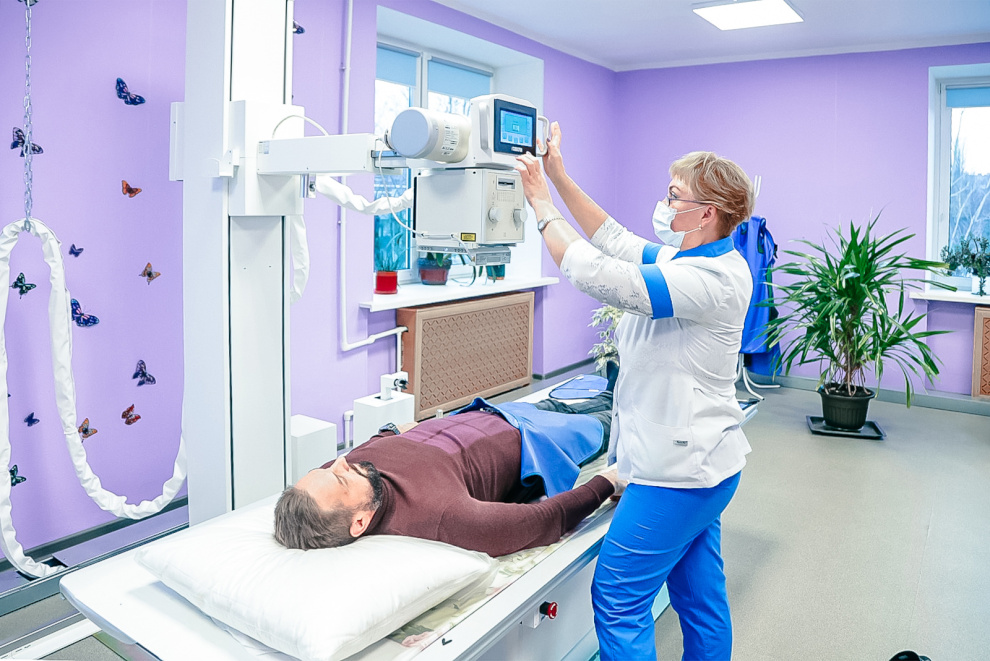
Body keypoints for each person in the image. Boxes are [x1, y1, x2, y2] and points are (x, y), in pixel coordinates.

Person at [515, 124, 755, 661]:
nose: (665, 204)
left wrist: (541, 205)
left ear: (707, 213)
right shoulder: (687, 259)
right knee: (699, 598)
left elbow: (597, 273)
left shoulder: (710, 279)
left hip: (677, 474)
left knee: (619, 596)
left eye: (675, 195)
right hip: (705, 467)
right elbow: (613, 238)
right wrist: (559, 175)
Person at [273, 387, 625, 557]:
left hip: (488, 412)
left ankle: (612, 389)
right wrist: (607, 481)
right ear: (360, 522)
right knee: (618, 418)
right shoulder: (443, 515)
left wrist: (395, 430)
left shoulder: (355, 473)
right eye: (338, 477)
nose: (339, 461)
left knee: (586, 398)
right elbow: (545, 520)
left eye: (325, 468)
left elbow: (381, 438)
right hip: (541, 440)